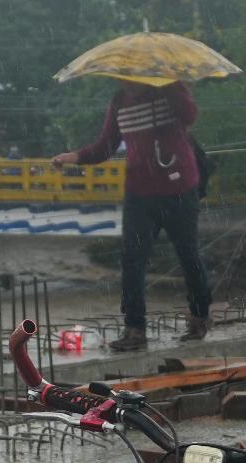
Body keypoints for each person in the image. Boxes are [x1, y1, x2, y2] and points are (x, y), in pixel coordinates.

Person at [53, 78, 212, 350]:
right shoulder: (120, 102)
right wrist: (74, 157)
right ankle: (135, 329)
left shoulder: (170, 88)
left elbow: (190, 116)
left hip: (179, 188)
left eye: (131, 78)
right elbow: (106, 146)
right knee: (132, 258)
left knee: (188, 255)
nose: (128, 83)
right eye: (122, 78)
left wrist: (170, 88)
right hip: (140, 192)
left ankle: (199, 317)